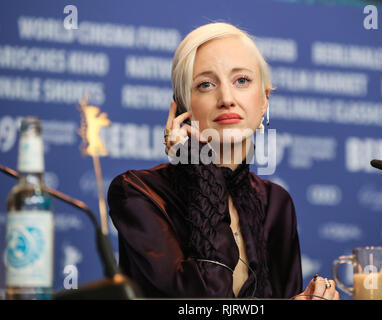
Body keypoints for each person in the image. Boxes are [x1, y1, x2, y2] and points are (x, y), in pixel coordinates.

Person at [107, 22, 339, 300]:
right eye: (206, 84)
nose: (227, 98)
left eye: (241, 80)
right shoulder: (138, 192)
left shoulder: (277, 204)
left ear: (264, 100)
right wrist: (197, 166)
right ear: (183, 107)